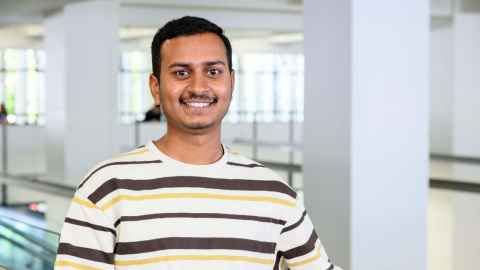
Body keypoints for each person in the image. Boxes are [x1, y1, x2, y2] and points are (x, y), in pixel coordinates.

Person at [54, 16, 341, 270]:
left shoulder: (275, 193)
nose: (198, 87)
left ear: (231, 82)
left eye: (213, 72)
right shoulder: (107, 186)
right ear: (156, 87)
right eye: (181, 73)